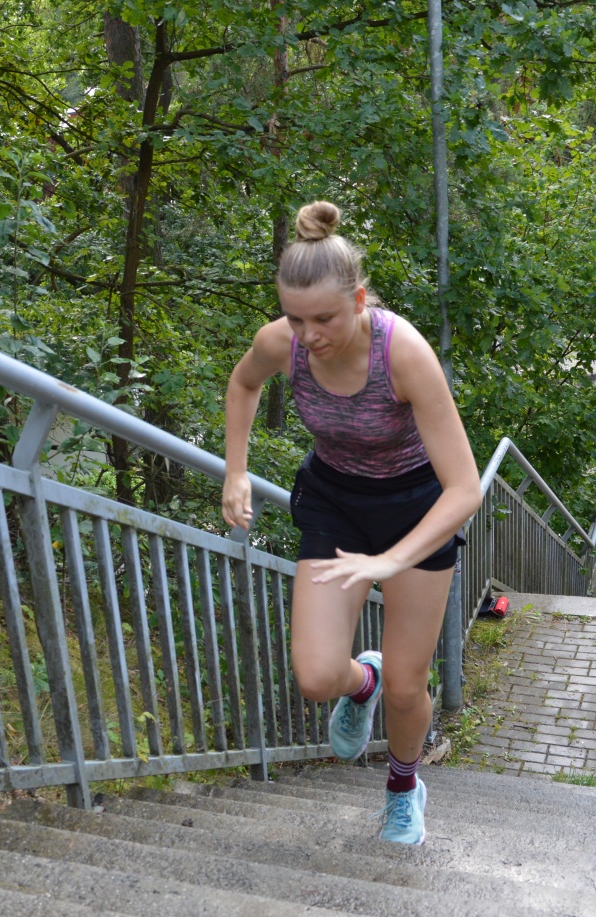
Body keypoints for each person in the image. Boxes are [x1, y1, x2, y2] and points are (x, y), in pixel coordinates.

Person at [221, 201, 481, 845]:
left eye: (324, 319)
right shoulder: (282, 343)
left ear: (359, 300)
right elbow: (244, 384)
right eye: (295, 318)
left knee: (407, 687)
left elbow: (465, 488)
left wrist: (391, 561)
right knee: (315, 676)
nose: (308, 335)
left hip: (416, 509)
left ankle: (403, 787)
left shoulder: (403, 353)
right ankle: (360, 681)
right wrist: (236, 470)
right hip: (335, 502)